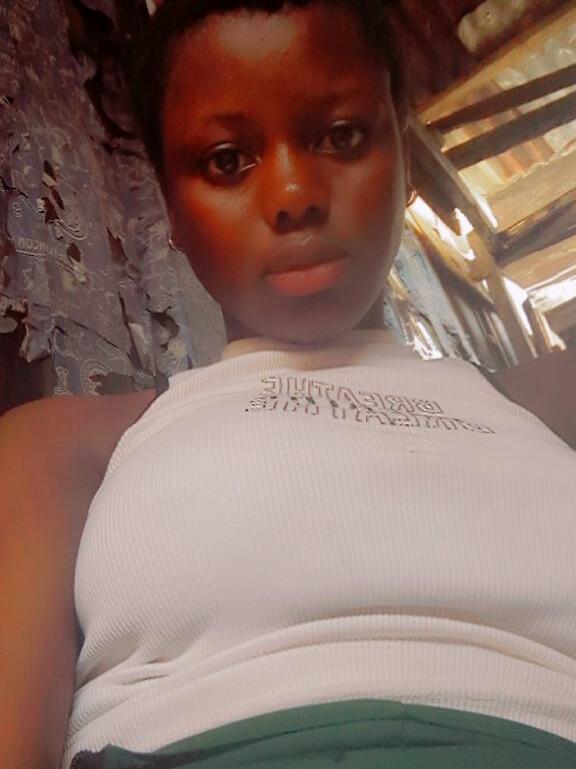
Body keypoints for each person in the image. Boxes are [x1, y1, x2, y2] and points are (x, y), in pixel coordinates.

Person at [1, 2, 575, 769]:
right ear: (171, 212)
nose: (294, 193)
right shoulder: (64, 445)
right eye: (227, 160)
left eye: (341, 136)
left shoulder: (547, 402)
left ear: (404, 160)